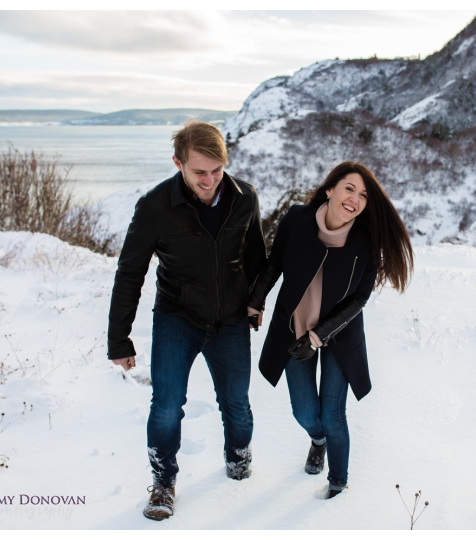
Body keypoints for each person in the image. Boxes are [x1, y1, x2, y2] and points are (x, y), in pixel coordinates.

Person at [107, 120, 265, 521]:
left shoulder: (245, 198)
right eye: (199, 172)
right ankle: (163, 483)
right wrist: (119, 340)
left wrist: (255, 301)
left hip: (229, 319)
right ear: (178, 163)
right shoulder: (155, 206)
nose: (210, 180)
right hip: (177, 317)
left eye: (217, 170)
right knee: (165, 405)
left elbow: (256, 259)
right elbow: (130, 272)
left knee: (237, 405)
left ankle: (238, 457)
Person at [247, 161, 413, 499]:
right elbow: (274, 264)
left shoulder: (366, 241)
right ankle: (317, 440)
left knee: (333, 415)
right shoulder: (297, 219)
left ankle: (338, 482)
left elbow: (359, 299)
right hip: (294, 329)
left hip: (339, 335)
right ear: (330, 189)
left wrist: (318, 336)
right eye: (349, 189)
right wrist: (255, 301)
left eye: (363, 196)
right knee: (305, 412)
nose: (354, 199)